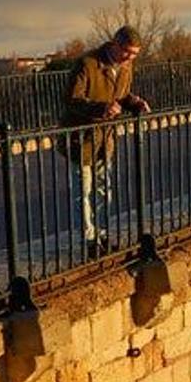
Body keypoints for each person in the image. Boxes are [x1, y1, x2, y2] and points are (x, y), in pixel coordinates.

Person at [62, 25, 150, 254]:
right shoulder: (87, 64)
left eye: (134, 55)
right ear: (114, 44)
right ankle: (89, 240)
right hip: (81, 139)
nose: (129, 58)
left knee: (103, 189)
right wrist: (101, 109)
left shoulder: (125, 67)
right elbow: (72, 99)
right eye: (126, 52)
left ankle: (101, 234)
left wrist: (135, 103)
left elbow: (121, 96)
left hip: (105, 139)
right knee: (83, 191)